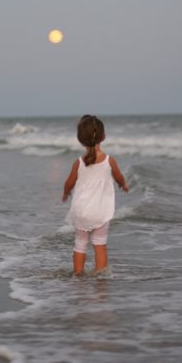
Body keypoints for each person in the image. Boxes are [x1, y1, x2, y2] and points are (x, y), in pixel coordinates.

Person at [62, 115, 129, 276]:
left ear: (80, 140)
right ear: (103, 136)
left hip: (81, 211)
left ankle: (78, 275)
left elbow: (69, 182)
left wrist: (66, 193)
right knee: (99, 245)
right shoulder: (108, 160)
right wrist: (123, 185)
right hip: (99, 211)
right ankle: (100, 279)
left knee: (80, 244)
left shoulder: (78, 162)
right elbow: (119, 176)